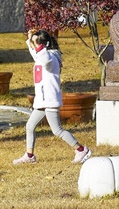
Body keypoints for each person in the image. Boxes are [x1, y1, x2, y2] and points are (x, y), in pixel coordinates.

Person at [14, 29, 91, 165]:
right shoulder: (42, 54)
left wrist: (36, 43)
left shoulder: (51, 58)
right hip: (42, 100)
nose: (34, 46)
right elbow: (36, 53)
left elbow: (44, 60)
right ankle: (29, 155)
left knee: (57, 130)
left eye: (37, 44)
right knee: (30, 126)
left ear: (44, 45)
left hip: (50, 100)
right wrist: (30, 38)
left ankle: (81, 150)